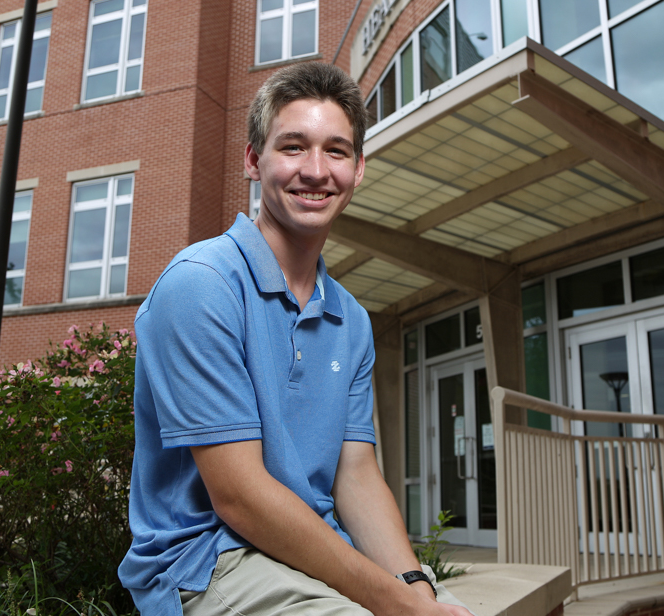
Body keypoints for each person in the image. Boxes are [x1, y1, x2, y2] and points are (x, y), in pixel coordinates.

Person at [118, 62, 477, 616]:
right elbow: (240, 498)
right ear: (253, 160)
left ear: (358, 170)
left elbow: (354, 475)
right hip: (212, 560)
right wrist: (401, 609)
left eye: (336, 151)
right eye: (293, 147)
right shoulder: (202, 285)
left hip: (318, 548)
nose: (315, 170)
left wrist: (416, 588)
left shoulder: (351, 318)